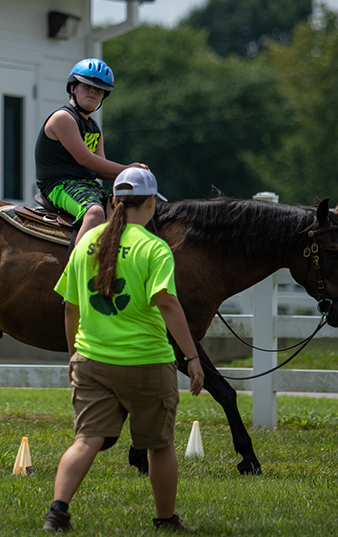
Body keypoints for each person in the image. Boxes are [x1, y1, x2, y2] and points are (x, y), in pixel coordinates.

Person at [43, 167, 205, 532]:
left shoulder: (86, 243)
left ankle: (57, 512)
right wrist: (192, 357)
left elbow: (70, 306)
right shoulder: (154, 248)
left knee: (86, 440)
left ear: (113, 201)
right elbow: (166, 303)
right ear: (151, 202)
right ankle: (165, 520)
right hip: (147, 362)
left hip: (91, 360)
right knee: (159, 445)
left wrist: (74, 354)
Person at [35, 58, 147, 247]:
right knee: (94, 212)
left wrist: (134, 178)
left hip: (88, 185)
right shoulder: (64, 118)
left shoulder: (94, 128)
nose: (93, 91)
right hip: (59, 186)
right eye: (88, 86)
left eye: (99, 89)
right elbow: (85, 159)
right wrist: (128, 169)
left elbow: (99, 169)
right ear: (73, 88)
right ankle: (76, 271)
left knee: (125, 210)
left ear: (104, 96)